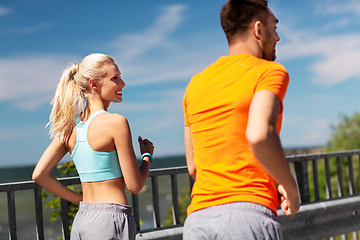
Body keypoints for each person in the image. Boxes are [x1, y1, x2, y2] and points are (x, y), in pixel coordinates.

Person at [182, 0, 300, 239]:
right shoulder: (269, 71)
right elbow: (259, 135)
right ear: (258, 30)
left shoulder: (195, 84)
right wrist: (290, 188)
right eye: (274, 28)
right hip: (247, 216)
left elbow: (194, 167)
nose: (277, 38)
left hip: (197, 220)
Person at [32, 53, 154, 240]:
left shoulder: (69, 127)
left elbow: (39, 174)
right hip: (110, 220)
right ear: (93, 84)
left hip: (82, 219)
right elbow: (135, 185)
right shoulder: (116, 122)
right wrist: (147, 157)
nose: (122, 83)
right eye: (115, 78)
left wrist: (78, 200)